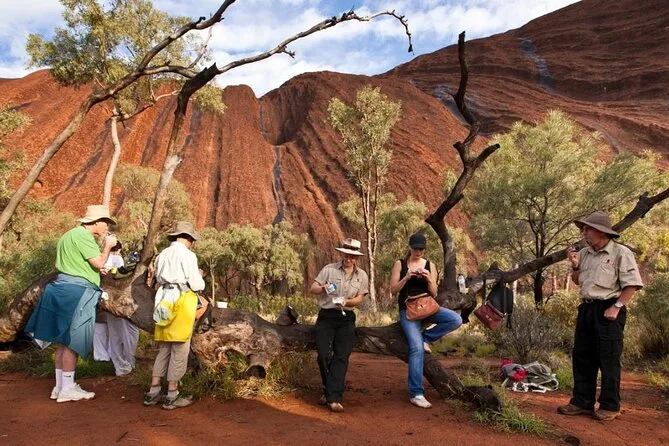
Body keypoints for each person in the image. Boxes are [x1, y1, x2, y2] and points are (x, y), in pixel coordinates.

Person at [25, 205, 118, 403]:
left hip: (62, 287)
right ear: (96, 222)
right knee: (73, 341)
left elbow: (79, 264)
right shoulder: (84, 236)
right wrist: (108, 246)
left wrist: (95, 269)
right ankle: (67, 389)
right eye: (106, 223)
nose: (106, 227)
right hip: (77, 292)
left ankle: (60, 386)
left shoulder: (68, 235)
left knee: (62, 341)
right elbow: (99, 263)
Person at [558, 211, 643, 421]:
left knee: (608, 358)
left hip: (609, 308)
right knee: (582, 356)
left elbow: (632, 284)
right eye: (583, 229)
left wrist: (617, 306)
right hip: (587, 308)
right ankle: (582, 402)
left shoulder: (620, 253)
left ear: (601, 231)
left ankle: (610, 405)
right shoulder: (585, 253)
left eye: (587, 229)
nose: (584, 232)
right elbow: (577, 280)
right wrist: (575, 265)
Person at [389, 232, 462, 409]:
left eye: (421, 249)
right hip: (408, 310)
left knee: (455, 319)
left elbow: (434, 292)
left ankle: (426, 338)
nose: (419, 252)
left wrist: (429, 278)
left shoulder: (430, 265)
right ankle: (416, 393)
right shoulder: (400, 263)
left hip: (427, 307)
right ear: (410, 247)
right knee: (416, 349)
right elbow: (393, 290)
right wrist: (407, 277)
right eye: (415, 248)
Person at [143, 221, 206, 410]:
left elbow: (158, 278)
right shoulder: (188, 255)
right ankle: (172, 394)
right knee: (179, 349)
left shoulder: (163, 254)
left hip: (163, 300)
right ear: (188, 238)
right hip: (181, 301)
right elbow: (196, 284)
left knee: (164, 348)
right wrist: (200, 276)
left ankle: (153, 391)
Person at [309, 237, 369, 412]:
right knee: (323, 354)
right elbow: (313, 288)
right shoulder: (329, 269)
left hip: (346, 318)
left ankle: (333, 397)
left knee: (341, 356)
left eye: (352, 256)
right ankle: (329, 391)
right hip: (327, 316)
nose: (349, 259)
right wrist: (323, 287)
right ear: (342, 254)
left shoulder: (361, 275)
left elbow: (360, 298)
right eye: (346, 255)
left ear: (356, 258)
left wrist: (346, 302)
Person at [98, 242, 140, 376]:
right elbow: (119, 275)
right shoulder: (116, 259)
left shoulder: (102, 257)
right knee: (127, 334)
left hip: (109, 300)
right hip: (120, 301)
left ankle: (121, 367)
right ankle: (128, 364)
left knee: (115, 335)